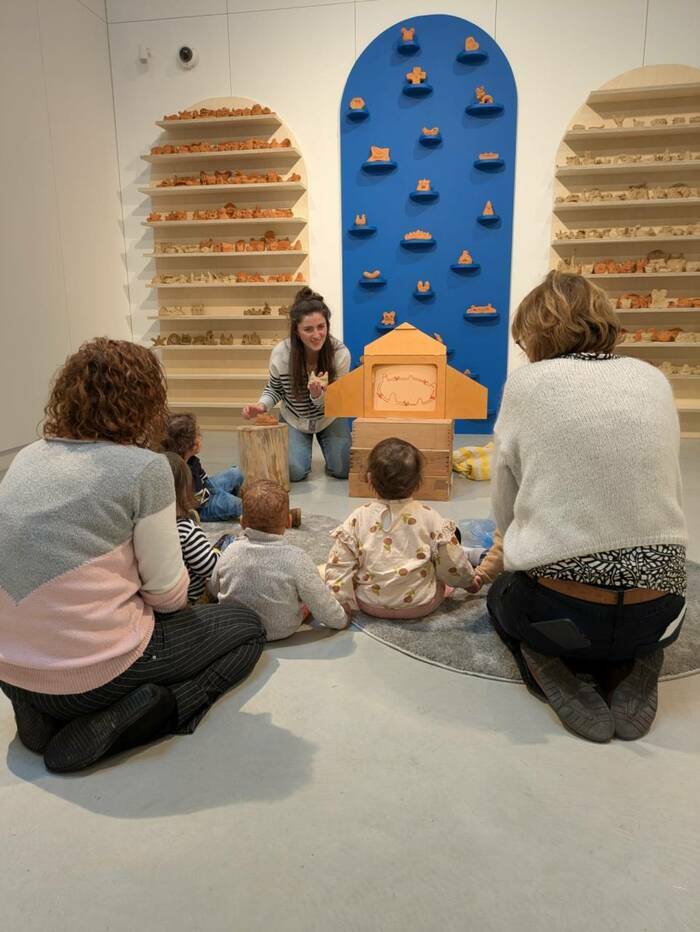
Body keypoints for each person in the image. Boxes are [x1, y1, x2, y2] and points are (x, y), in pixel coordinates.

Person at [0, 338, 265, 773]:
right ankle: (147, 710)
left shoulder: (26, 459)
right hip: (94, 673)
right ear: (146, 404)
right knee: (247, 627)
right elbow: (170, 597)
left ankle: (42, 718)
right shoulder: (144, 469)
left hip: (12, 671)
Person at [487, 271, 687, 743]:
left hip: (559, 617)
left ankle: (548, 662)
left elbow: (504, 510)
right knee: (642, 605)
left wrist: (507, 551)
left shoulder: (526, 385)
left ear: (532, 332)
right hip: (658, 612)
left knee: (501, 595)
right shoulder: (653, 379)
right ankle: (639, 661)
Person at [325, 438, 478, 619]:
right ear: (418, 482)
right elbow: (453, 563)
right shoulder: (430, 517)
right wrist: (469, 582)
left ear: (369, 479)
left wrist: (340, 602)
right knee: (444, 574)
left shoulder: (357, 518)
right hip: (420, 604)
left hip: (370, 603)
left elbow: (338, 563)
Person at [211, 479, 348, 640]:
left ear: (242, 523)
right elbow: (324, 607)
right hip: (280, 630)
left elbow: (214, 587)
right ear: (289, 521)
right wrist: (342, 618)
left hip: (236, 627)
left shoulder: (230, 550)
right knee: (312, 587)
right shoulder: (297, 559)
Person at [241, 287, 351, 482]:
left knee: (344, 470)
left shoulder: (339, 354)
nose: (317, 335)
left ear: (327, 325)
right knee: (294, 472)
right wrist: (261, 405)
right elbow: (274, 388)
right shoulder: (281, 353)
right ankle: (302, 450)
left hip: (329, 417)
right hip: (295, 418)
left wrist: (317, 397)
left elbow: (337, 401)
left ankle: (330, 451)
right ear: (297, 331)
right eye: (308, 329)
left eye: (321, 326)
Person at [163, 412, 244, 522]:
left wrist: (216, 491)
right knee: (235, 504)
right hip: (201, 507)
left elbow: (204, 480)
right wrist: (219, 495)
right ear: (187, 444)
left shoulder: (192, 460)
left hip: (205, 489)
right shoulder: (177, 470)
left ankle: (228, 496)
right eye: (198, 435)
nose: (201, 438)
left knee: (236, 473)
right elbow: (190, 502)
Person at [164, 451, 222, 603]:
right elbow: (209, 567)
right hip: (190, 601)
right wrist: (219, 555)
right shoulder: (185, 529)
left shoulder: (143, 526)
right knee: (228, 542)